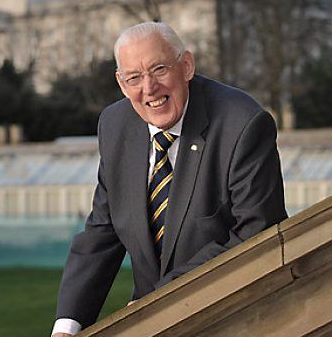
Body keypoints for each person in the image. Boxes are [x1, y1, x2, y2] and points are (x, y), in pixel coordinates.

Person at [52, 22, 286, 336]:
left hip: (234, 316)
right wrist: (67, 325)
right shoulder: (115, 125)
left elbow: (257, 234)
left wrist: (162, 302)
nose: (148, 88)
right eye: (134, 77)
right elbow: (103, 230)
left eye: (159, 69)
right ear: (122, 84)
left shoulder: (243, 123)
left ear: (186, 65)